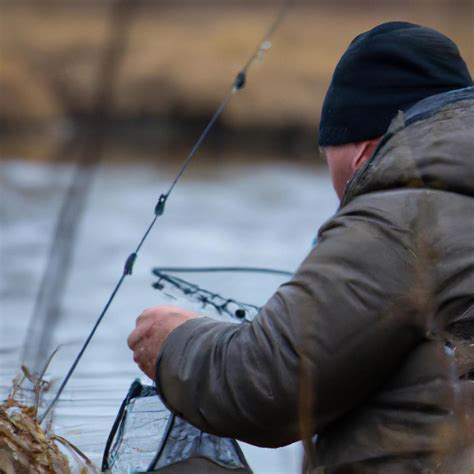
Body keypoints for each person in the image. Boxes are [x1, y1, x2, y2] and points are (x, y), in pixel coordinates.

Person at [128, 22, 473, 473]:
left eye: (327, 159)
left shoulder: (400, 216)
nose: (336, 194)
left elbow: (268, 387)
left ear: (364, 152)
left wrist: (174, 341)